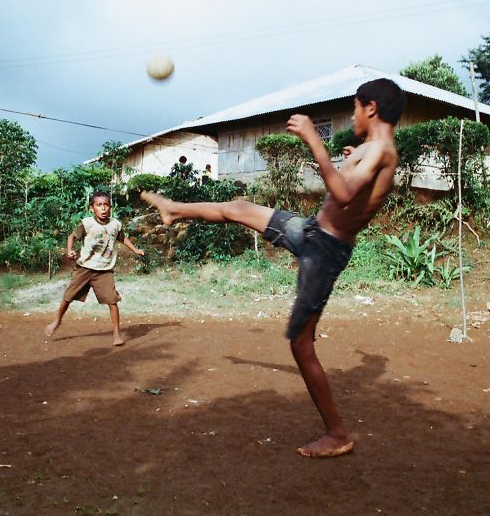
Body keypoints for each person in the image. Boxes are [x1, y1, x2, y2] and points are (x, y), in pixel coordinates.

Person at [142, 78, 405, 458]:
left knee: (301, 343)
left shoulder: (380, 149)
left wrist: (314, 140)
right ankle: (174, 209)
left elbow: (344, 194)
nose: (352, 115)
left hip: (324, 251)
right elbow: (353, 185)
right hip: (312, 232)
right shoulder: (374, 150)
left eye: (353, 108)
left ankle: (336, 433)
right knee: (238, 208)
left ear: (371, 108)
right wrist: (348, 159)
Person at [45, 191, 145, 346]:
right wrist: (70, 250)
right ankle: (57, 321)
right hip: (84, 268)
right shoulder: (87, 224)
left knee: (112, 301)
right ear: (92, 208)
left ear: (110, 207)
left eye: (106, 205)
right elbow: (72, 237)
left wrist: (135, 250)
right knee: (68, 296)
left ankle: (117, 334)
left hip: (104, 271)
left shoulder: (115, 224)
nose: (103, 209)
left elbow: (122, 238)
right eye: (99, 205)